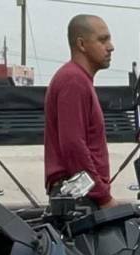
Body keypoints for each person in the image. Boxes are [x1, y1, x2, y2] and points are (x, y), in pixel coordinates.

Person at [45, 14, 114, 207]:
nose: (110, 46)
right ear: (81, 44)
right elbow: (73, 145)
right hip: (79, 196)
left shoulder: (79, 79)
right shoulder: (73, 81)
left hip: (80, 193)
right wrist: (102, 196)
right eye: (103, 40)